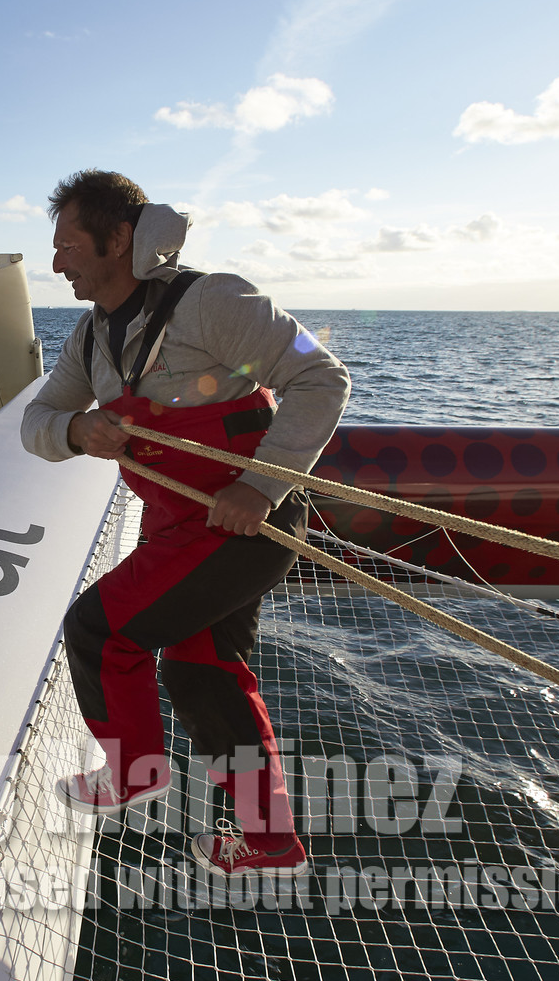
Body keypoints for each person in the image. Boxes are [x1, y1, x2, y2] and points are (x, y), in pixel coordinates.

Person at [20, 169, 350, 875]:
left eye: (69, 244)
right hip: (180, 527)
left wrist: (259, 488)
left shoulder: (213, 302)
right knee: (204, 675)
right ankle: (270, 842)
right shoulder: (89, 339)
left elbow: (320, 378)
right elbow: (35, 422)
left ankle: (134, 774)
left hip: (244, 524)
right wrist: (79, 430)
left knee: (99, 629)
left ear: (118, 238)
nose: (56, 263)